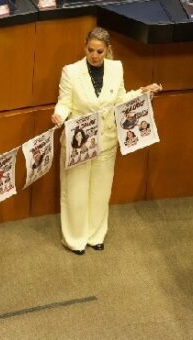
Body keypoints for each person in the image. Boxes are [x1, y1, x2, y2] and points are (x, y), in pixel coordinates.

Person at [51, 27, 162, 255]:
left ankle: (95, 235)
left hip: (107, 139)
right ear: (84, 47)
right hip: (79, 142)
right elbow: (64, 102)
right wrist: (59, 115)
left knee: (101, 190)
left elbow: (120, 100)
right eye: (90, 50)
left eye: (99, 51)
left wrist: (142, 92)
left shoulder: (116, 68)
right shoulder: (70, 72)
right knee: (76, 190)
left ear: (107, 50)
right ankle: (75, 239)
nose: (94, 55)